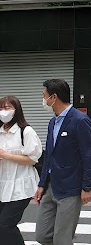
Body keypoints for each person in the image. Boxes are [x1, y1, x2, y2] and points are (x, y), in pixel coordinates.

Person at [35, 79, 91, 245]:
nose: (43, 100)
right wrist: (41, 184)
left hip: (71, 187)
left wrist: (87, 187)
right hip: (51, 186)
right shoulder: (52, 122)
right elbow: (48, 155)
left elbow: (89, 155)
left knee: (62, 239)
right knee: (42, 235)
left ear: (54, 97)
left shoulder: (80, 120)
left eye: (44, 96)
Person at [0, 96, 43, 245]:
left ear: (16, 110)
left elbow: (33, 159)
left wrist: (7, 155)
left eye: (7, 108)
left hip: (21, 185)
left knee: (5, 225)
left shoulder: (26, 131)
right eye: (1, 108)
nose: (3, 112)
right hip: (2, 185)